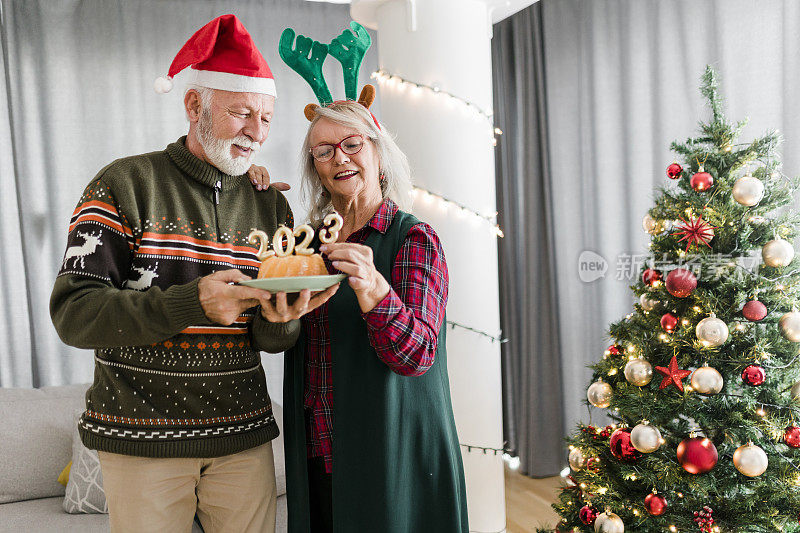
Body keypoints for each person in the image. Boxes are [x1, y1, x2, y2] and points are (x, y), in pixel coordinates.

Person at [50, 15, 336, 533]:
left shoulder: (270, 206)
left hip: (242, 437)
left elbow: (269, 340)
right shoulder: (124, 183)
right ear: (193, 106)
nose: (256, 132)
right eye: (242, 113)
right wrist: (191, 303)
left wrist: (284, 318)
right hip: (142, 438)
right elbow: (73, 314)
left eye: (266, 118)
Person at [250, 99, 468, 531]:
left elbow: (417, 355)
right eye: (324, 151)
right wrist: (247, 189)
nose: (340, 158)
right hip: (320, 451)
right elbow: (278, 332)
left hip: (393, 456)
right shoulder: (308, 246)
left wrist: (374, 287)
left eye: (352, 144)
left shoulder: (413, 239)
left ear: (378, 153)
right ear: (315, 168)